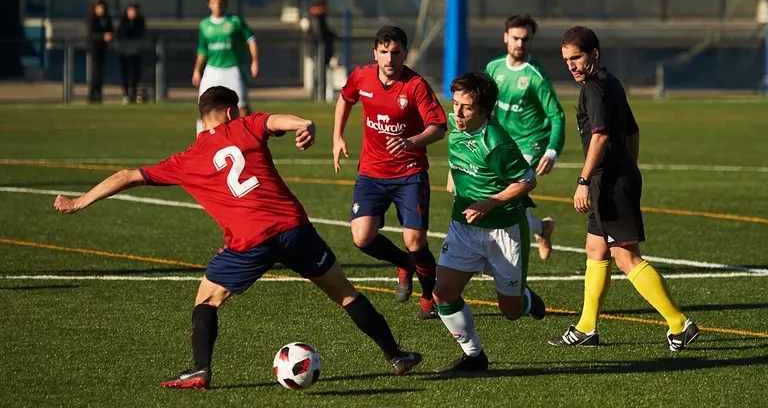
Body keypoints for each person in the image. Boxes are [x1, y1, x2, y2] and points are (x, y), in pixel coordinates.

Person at [53, 86, 423, 389]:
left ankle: (200, 369)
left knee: (207, 298)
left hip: (249, 241)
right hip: (294, 229)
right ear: (232, 112)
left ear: (203, 117)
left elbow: (127, 175)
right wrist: (304, 123)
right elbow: (278, 119)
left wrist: (79, 201)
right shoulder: (246, 126)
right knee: (345, 293)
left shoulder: (187, 158)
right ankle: (396, 356)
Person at [549, 27, 699, 351]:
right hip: (616, 178)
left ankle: (679, 323)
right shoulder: (611, 82)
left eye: (576, 57)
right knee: (595, 249)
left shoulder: (593, 87)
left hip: (608, 182)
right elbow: (633, 132)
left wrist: (584, 180)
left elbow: (601, 136)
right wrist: (629, 169)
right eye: (566, 60)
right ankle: (587, 327)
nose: (571, 65)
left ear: (594, 54)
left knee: (626, 257)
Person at [333, 26, 447, 319]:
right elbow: (345, 98)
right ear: (375, 54)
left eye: (395, 52)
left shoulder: (416, 85)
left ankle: (428, 297)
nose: (389, 58)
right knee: (361, 237)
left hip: (410, 173)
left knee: (415, 241)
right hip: (372, 172)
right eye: (384, 52)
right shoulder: (361, 76)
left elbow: (438, 128)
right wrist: (338, 136)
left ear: (404, 54)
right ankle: (403, 263)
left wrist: (411, 142)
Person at [435, 72, 546, 374]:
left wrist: (489, 202)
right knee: (442, 295)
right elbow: (457, 151)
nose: (457, 113)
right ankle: (474, 356)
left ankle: (525, 298)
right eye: (455, 104)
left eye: (467, 107)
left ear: (484, 110)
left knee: (510, 312)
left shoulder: (496, 142)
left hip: (504, 232)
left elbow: (527, 180)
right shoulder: (457, 124)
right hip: (464, 228)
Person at [485, 14, 565, 260]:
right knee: (500, 199)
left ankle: (502, 259)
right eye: (516, 38)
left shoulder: (534, 75)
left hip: (531, 144)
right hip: (504, 144)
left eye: (526, 39)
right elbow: (485, 108)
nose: (520, 44)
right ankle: (543, 228)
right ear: (506, 38)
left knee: (502, 197)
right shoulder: (493, 68)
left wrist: (552, 151)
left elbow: (557, 115)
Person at [193, 0, 259, 135]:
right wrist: (197, 70)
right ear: (209, 4)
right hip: (212, 70)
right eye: (214, 1)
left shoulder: (235, 21)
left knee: (242, 108)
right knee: (204, 107)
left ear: (225, 3)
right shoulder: (204, 25)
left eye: (220, 1)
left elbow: (251, 40)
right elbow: (202, 50)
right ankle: (202, 144)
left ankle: (249, 137)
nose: (217, 4)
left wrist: (255, 61)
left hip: (232, 69)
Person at [116, 3, 146, 104]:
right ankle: (125, 94)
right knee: (125, 73)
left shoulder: (139, 22)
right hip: (124, 51)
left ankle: (133, 93)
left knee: (135, 74)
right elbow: (121, 33)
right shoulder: (123, 22)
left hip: (135, 51)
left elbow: (141, 34)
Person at [86, 0, 113, 104]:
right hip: (94, 48)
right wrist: (102, 36)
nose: (101, 10)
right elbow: (91, 34)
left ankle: (99, 94)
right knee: (95, 72)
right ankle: (92, 94)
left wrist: (110, 35)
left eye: (102, 8)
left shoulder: (107, 19)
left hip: (103, 48)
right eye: (99, 8)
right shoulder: (92, 19)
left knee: (101, 72)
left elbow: (111, 29)